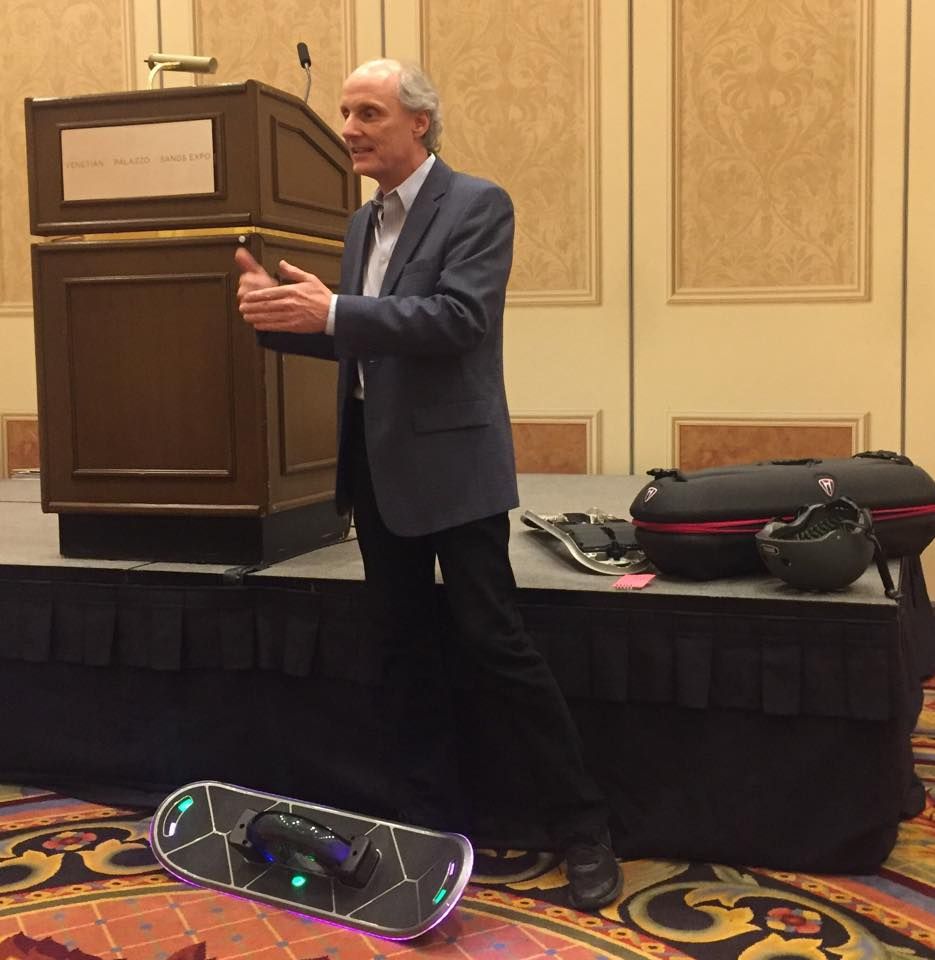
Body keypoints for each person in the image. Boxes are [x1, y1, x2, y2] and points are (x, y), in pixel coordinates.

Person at [235, 58, 622, 911]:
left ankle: (582, 828)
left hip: (454, 464)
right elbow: (367, 339)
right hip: (376, 465)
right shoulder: (360, 221)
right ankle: (428, 818)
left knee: (496, 644)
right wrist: (283, 317)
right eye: (343, 111)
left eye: (367, 111)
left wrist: (332, 311)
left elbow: (458, 319)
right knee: (402, 646)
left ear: (420, 123)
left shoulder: (477, 203)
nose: (348, 128)